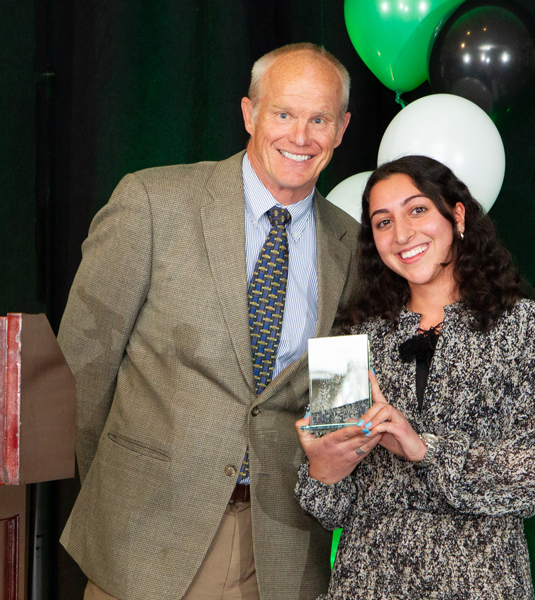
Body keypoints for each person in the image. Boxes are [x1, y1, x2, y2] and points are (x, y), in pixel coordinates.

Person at [58, 43, 358, 600]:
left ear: (341, 129)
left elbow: (338, 409)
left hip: (283, 553)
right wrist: (115, 490)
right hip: (144, 537)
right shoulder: (153, 201)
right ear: (249, 114)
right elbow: (82, 369)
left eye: (319, 119)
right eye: (284, 114)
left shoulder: (352, 248)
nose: (301, 136)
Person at [295, 155, 535, 599]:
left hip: (481, 581)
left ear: (457, 215)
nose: (403, 234)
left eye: (417, 210)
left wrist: (424, 448)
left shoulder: (526, 327)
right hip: (369, 581)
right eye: (382, 222)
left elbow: (534, 473)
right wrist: (324, 468)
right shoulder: (352, 337)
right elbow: (329, 508)